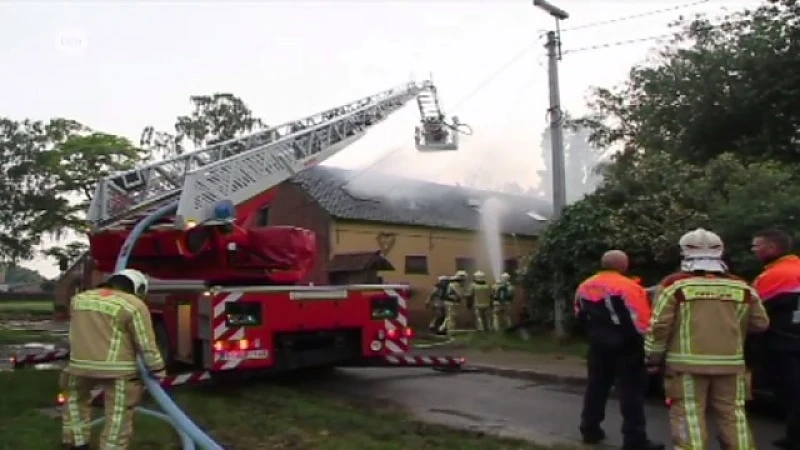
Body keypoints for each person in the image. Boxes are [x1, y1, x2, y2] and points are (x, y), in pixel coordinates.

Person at [645, 228, 769, 450]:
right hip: (731, 364)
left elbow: (659, 327)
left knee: (689, 415)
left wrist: (652, 358)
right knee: (734, 415)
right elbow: (761, 323)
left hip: (685, 366)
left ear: (683, 253)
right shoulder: (742, 287)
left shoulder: (674, 286)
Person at [61, 269, 166, 450]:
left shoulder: (79, 300)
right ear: (137, 288)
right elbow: (145, 342)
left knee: (75, 402)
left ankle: (76, 442)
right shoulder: (133, 305)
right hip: (118, 368)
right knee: (118, 413)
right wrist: (157, 369)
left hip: (78, 365)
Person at [575, 249, 663, 450]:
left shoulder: (584, 285)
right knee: (631, 392)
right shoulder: (627, 287)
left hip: (598, 346)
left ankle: (590, 430)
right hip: (627, 347)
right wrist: (650, 345)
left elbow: (579, 314)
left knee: (596, 388)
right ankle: (635, 439)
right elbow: (641, 321)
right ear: (623, 265)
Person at [751, 228, 800, 449]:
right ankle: (793, 434)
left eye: (757, 245)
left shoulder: (773, 276)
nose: (754, 250)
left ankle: (795, 437)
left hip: (783, 344)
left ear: (772, 248)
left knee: (792, 393)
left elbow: (751, 312)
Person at [439, 270, 467, 335]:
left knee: (449, 316)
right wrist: (465, 296)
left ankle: (441, 329)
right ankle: (450, 331)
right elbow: (460, 294)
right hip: (451, 303)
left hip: (450, 302)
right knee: (452, 317)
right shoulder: (455, 284)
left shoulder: (454, 284)